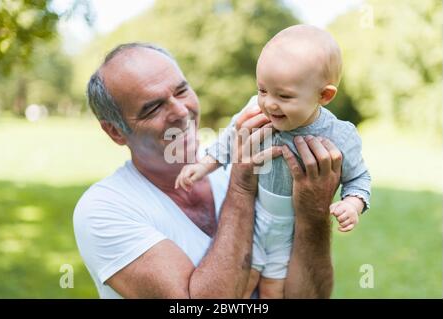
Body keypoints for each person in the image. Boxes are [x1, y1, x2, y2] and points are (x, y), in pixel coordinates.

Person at [73, 41, 343, 299]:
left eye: (181, 91)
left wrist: (314, 212)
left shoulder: (249, 163)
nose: (181, 111)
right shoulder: (103, 210)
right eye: (153, 108)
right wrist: (241, 185)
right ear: (115, 131)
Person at [175, 25, 371, 298]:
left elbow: (359, 177)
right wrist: (204, 164)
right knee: (242, 283)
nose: (269, 104)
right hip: (253, 216)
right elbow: (230, 139)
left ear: (324, 96)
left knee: (272, 290)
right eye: (262, 90)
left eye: (284, 96)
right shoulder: (256, 110)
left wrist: (352, 203)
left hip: (291, 228)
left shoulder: (339, 135)